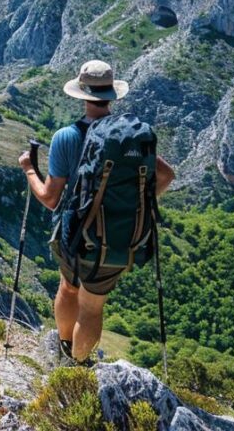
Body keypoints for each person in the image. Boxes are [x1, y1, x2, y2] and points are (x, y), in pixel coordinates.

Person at [18, 60, 174, 365]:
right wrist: (137, 201)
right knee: (93, 307)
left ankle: (65, 349)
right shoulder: (130, 138)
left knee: (68, 286)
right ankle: (79, 367)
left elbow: (50, 199)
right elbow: (167, 176)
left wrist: (28, 170)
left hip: (74, 235)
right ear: (111, 95)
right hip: (119, 239)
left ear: (82, 95)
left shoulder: (66, 137)